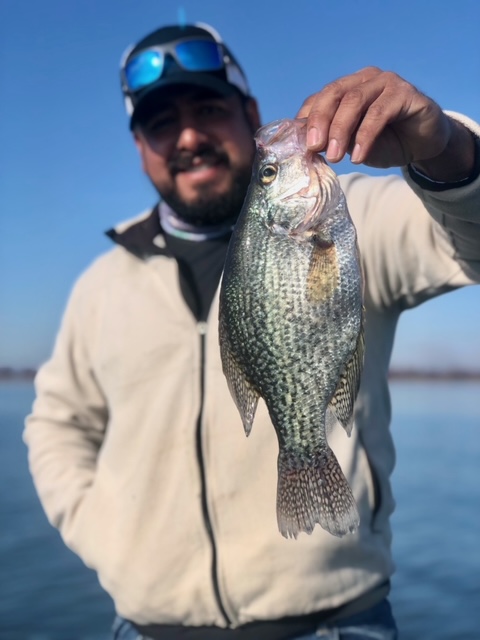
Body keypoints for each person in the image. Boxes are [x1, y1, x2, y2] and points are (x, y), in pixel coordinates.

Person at [24, 22, 480, 640]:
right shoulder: (101, 285)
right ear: (139, 146)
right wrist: (103, 533)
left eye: (209, 109)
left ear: (251, 115)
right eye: (162, 124)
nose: (188, 137)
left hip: (339, 623)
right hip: (145, 626)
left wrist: (446, 150)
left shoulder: (358, 216)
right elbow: (56, 425)